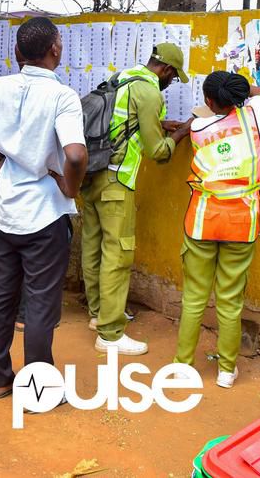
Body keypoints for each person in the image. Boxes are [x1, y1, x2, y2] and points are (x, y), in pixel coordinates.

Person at [0, 16, 88, 400]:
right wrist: (69, 186)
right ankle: (39, 389)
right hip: (44, 211)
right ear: (55, 51)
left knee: (1, 295)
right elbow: (75, 155)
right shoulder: (62, 96)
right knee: (41, 302)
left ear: (16, 52)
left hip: (6, 208)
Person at [82, 42, 191, 355]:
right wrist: (180, 133)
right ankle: (111, 333)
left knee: (93, 246)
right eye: (173, 77)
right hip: (117, 180)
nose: (170, 84)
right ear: (167, 70)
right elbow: (157, 152)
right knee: (118, 253)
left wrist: (159, 126)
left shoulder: (123, 77)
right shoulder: (151, 92)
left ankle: (97, 314)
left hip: (92, 172)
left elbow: (124, 125)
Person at [173, 71, 260, 388]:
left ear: (210, 101)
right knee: (230, 301)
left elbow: (200, 118)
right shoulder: (255, 115)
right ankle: (227, 371)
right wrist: (242, 86)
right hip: (242, 223)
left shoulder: (199, 127)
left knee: (194, 299)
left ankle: (183, 367)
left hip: (203, 221)